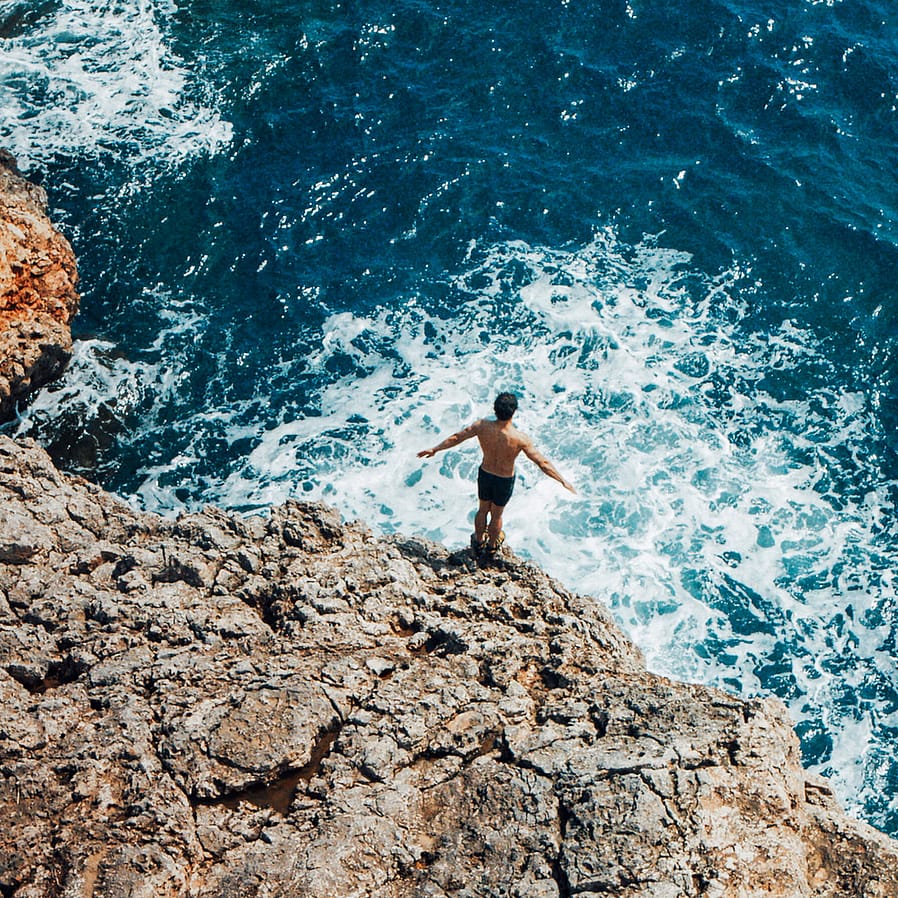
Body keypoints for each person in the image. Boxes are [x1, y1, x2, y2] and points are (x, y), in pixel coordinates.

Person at [417, 392, 575, 554]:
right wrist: (562, 480)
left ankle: (478, 542)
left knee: (482, 509)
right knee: (496, 515)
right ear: (514, 411)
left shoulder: (482, 426)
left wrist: (435, 449)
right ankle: (492, 546)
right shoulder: (520, 439)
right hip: (504, 480)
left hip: (485, 474)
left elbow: (457, 437)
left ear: (495, 409)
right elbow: (542, 463)